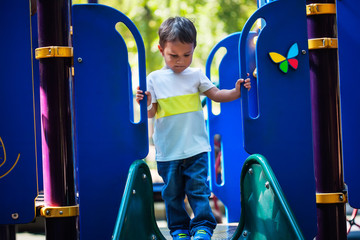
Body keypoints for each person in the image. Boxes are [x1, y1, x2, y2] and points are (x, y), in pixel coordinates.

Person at [136, 16, 251, 240]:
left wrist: (236, 92)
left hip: (196, 148)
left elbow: (216, 94)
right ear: (161, 50)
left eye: (186, 55)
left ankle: (202, 227)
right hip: (168, 151)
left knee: (198, 189)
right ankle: (179, 229)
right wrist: (146, 102)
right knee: (172, 193)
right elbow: (151, 113)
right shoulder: (154, 79)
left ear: (193, 49)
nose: (180, 61)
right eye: (173, 55)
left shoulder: (195, 75)